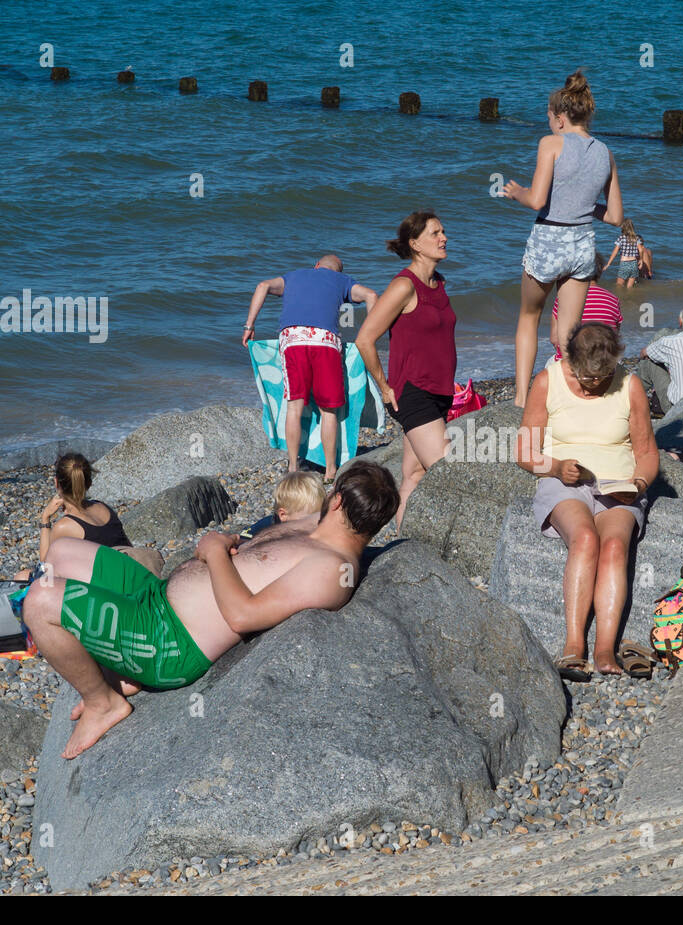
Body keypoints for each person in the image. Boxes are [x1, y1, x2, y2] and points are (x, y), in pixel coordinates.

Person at [23, 461, 400, 758]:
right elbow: (257, 543)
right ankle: (116, 668)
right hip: (155, 593)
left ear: (336, 500)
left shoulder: (331, 570)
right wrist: (230, 540)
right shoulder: (312, 525)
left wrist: (216, 551)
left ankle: (102, 703)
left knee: (39, 601)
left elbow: (244, 615)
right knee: (59, 554)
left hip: (167, 641)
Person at [516, 322, 659, 679]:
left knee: (613, 546)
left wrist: (639, 483)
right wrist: (555, 466)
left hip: (618, 483)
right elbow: (523, 451)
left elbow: (646, 452)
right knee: (585, 539)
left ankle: (605, 648)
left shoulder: (630, 386)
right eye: (585, 378)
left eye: (603, 376)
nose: (594, 384)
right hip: (565, 481)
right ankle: (574, 644)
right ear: (571, 361)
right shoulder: (547, 381)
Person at [502, 70, 623, 408]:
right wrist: (584, 207)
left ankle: (522, 398)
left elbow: (538, 200)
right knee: (570, 334)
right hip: (583, 244)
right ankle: (571, 395)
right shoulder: (605, 153)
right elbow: (614, 217)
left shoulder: (550, 143)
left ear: (558, 117)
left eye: (549, 117)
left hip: (548, 240)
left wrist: (517, 192)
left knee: (529, 317)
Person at [355, 211, 456, 532]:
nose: (444, 238)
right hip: (412, 392)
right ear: (415, 244)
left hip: (440, 391)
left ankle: (403, 544)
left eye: (443, 232)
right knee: (447, 470)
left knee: (414, 474)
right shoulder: (403, 285)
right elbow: (364, 339)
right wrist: (384, 387)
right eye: (435, 233)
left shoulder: (438, 283)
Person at [242, 255, 379, 480]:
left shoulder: (294, 276)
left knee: (294, 407)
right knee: (329, 411)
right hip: (325, 342)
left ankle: (293, 467)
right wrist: (370, 335)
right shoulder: (342, 281)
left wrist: (249, 325)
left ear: (316, 266)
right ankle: (331, 470)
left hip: (293, 340)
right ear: (338, 271)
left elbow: (262, 286)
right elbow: (371, 295)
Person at [14, 452, 134, 580]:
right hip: (125, 572)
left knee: (22, 577)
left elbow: (45, 567)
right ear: (88, 483)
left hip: (103, 585)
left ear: (56, 483)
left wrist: (45, 518)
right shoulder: (104, 508)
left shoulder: (65, 526)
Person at [549, 253, 621, 361]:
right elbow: (614, 336)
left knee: (548, 368)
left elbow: (554, 339)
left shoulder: (563, 298)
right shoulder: (613, 299)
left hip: (571, 362)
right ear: (600, 272)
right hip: (604, 363)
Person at [241, 471, 326, 538]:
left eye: (319, 518)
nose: (314, 524)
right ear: (283, 515)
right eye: (306, 519)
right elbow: (244, 537)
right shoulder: (267, 527)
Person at [605, 218, 644, 290]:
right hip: (634, 264)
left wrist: (608, 263)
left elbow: (615, 251)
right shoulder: (636, 238)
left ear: (623, 227)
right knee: (630, 287)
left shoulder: (621, 238)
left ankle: (621, 300)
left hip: (624, 263)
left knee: (619, 286)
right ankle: (630, 300)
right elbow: (641, 250)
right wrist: (641, 260)